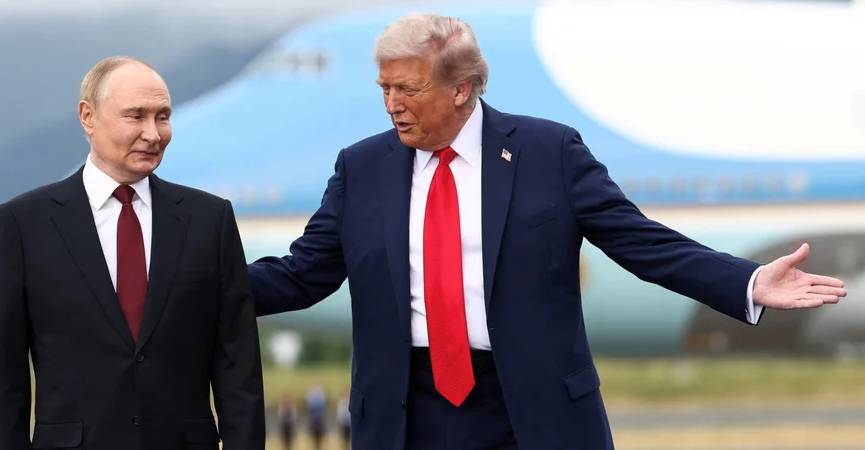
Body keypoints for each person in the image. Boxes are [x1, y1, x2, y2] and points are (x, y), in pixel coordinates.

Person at [247, 13, 847, 450]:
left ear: (461, 88)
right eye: (384, 88)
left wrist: (746, 280)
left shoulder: (548, 152)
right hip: (405, 414)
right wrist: (205, 283)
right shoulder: (362, 167)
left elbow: (640, 242)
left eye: (409, 89)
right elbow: (304, 274)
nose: (391, 104)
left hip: (530, 412)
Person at [0, 56, 266, 450]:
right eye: (136, 116)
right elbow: (2, 378)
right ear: (88, 116)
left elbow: (239, 367)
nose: (153, 133)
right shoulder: (24, 223)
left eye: (163, 117)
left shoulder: (209, 220)